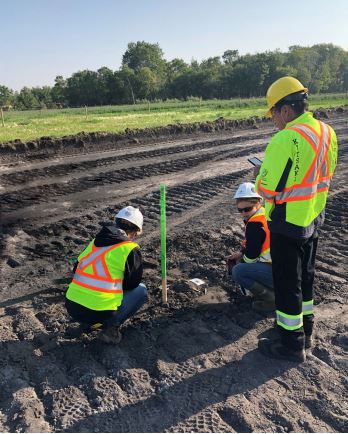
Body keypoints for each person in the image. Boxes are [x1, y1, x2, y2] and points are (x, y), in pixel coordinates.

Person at [255, 76, 338, 362]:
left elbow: (266, 188)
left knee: (287, 280)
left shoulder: (286, 138)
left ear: (286, 110)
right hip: (314, 215)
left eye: (274, 114)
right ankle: (306, 328)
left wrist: (259, 177)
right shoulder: (327, 132)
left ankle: (291, 343)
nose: (274, 120)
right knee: (306, 276)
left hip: (286, 220)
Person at [65, 206, 147, 343]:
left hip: (72, 308)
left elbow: (76, 268)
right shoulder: (130, 249)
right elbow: (132, 284)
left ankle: (89, 322)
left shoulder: (95, 242)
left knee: (93, 300)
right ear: (135, 232)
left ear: (116, 223)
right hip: (99, 313)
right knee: (141, 291)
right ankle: (110, 328)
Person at [227, 182, 274, 313]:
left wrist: (241, 263)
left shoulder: (255, 224)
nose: (243, 213)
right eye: (240, 210)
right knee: (242, 265)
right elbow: (256, 244)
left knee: (238, 271)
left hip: (277, 273)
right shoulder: (263, 214)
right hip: (282, 268)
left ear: (258, 203)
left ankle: (272, 299)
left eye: (247, 209)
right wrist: (242, 252)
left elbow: (252, 255)